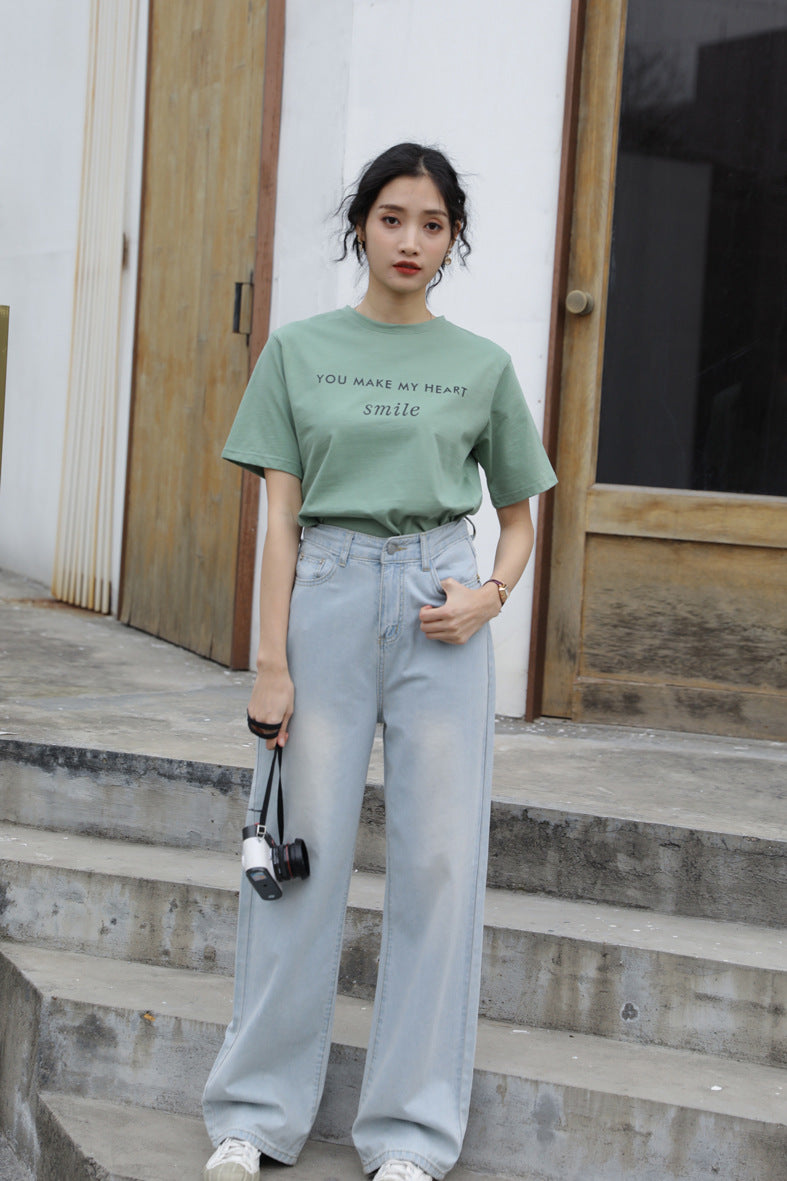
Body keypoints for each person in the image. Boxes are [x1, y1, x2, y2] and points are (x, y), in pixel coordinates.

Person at [202, 142, 557, 1181]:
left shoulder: (480, 365)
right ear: (360, 225)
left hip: (440, 602)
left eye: (432, 224)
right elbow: (278, 521)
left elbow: (519, 518)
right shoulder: (298, 350)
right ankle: (254, 1113)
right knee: (298, 859)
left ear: (453, 240)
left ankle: (410, 1133)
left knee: (438, 865)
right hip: (327, 589)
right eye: (393, 218)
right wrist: (270, 662)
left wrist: (489, 596)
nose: (410, 240)